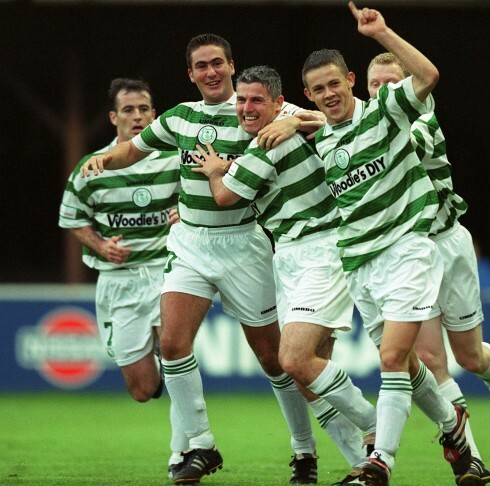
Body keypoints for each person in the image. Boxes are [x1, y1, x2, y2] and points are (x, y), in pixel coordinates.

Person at [80, 35, 319, 485]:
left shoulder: (257, 106)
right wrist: (103, 162)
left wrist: (293, 123)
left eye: (217, 64)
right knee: (171, 344)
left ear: (232, 65)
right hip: (190, 244)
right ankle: (202, 446)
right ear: (190, 74)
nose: (210, 72)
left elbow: (327, 120)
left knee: (273, 358)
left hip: (243, 243)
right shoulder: (180, 117)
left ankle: (304, 453)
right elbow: (133, 149)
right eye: (200, 67)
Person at [301, 4, 475, 485]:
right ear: (309, 95)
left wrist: (382, 33)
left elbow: (429, 74)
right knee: (411, 364)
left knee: (393, 359)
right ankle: (452, 427)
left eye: (334, 83)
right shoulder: (323, 143)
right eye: (318, 89)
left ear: (352, 80)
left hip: (407, 252)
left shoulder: (386, 110)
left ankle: (379, 462)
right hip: (360, 266)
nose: (328, 94)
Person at [190, 64, 378, 476]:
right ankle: (363, 468)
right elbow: (316, 119)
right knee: (309, 375)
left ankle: (376, 427)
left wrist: (216, 172)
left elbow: (223, 197)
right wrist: (294, 121)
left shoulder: (268, 140)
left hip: (323, 247)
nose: (246, 107)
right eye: (241, 99)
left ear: (277, 101)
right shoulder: (269, 130)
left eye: (257, 99)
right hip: (289, 254)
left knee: (292, 359)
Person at [365, 52, 490, 484]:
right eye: (375, 86)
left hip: (448, 244)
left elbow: (388, 147)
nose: (383, 93)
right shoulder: (364, 128)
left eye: (393, 83)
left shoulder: (421, 123)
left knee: (471, 357)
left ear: (410, 85)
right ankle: (472, 459)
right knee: (432, 361)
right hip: (410, 254)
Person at [58, 77, 183, 468]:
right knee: (143, 390)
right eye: (128, 110)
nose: (137, 116)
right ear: (114, 118)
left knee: (179, 356)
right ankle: (166, 369)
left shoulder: (175, 158)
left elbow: (208, 195)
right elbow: (72, 219)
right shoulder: (91, 167)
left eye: (144, 108)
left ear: (154, 114)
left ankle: (186, 449)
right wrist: (99, 244)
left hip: (168, 272)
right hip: (120, 283)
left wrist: (188, 212)